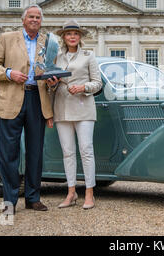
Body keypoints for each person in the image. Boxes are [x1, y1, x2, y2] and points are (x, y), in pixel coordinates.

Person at [0, 4, 54, 214]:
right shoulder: (7, 38)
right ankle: (9, 200)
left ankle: (33, 197)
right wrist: (9, 73)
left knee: (35, 152)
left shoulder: (48, 42)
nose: (35, 20)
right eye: (31, 17)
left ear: (41, 21)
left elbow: (52, 69)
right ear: (23, 20)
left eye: (38, 18)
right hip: (12, 98)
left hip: (37, 98)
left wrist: (53, 81)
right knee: (8, 153)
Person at [46, 20, 102, 210]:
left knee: (86, 150)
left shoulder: (89, 56)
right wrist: (52, 83)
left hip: (84, 107)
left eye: (75, 34)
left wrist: (83, 87)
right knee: (68, 153)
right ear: (63, 37)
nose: (72, 37)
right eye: (68, 33)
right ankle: (71, 193)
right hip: (61, 108)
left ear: (80, 37)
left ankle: (89, 193)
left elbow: (98, 83)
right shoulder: (56, 57)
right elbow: (50, 85)